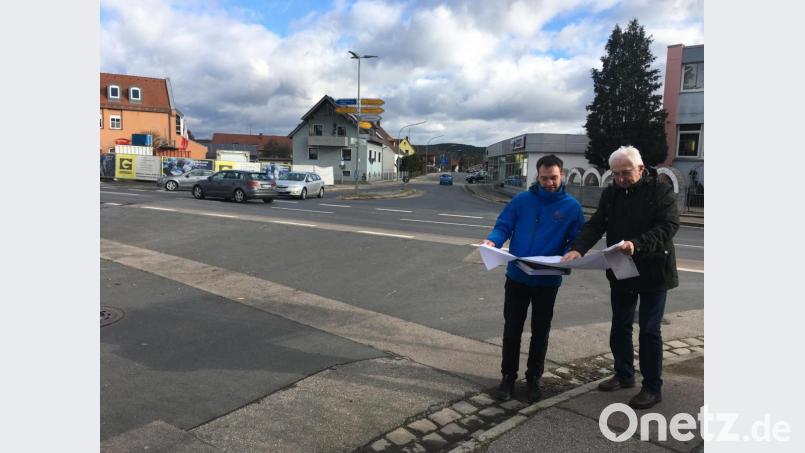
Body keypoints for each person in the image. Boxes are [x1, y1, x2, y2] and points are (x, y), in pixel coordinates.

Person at [561, 145, 679, 410]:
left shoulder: (661, 191)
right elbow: (596, 224)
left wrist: (636, 244)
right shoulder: (612, 193)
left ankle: (652, 387)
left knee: (649, 330)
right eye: (615, 174)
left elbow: (668, 227)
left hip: (654, 270)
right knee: (620, 325)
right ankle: (624, 374)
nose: (620, 179)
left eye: (625, 173)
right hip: (621, 267)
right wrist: (578, 248)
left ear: (640, 168)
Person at [482, 155, 585, 402]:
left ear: (562, 176)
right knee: (512, 329)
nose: (549, 182)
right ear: (537, 177)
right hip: (517, 275)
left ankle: (533, 379)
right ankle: (508, 378)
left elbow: (577, 240)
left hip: (547, 280)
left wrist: (572, 252)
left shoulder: (572, 207)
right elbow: (503, 226)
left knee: (540, 331)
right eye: (544, 178)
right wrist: (492, 240)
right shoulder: (522, 200)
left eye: (553, 177)